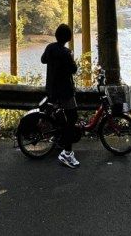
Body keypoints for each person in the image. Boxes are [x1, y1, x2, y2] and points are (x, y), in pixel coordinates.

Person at [41, 24, 80, 168]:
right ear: (68, 37)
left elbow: (43, 60)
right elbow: (73, 70)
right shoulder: (66, 53)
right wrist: (71, 57)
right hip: (65, 91)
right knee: (72, 119)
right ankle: (67, 152)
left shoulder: (50, 48)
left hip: (51, 89)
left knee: (59, 117)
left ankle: (59, 139)